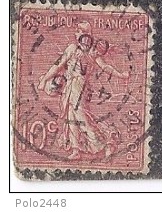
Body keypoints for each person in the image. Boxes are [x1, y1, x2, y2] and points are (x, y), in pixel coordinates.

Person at [36, 22, 129, 160]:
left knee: (81, 117)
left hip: (80, 87)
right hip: (70, 87)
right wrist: (45, 80)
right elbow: (58, 65)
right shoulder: (72, 48)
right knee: (70, 117)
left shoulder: (92, 52)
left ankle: (106, 144)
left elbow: (105, 67)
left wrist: (121, 75)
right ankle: (76, 149)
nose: (75, 34)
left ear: (85, 34)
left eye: (78, 31)